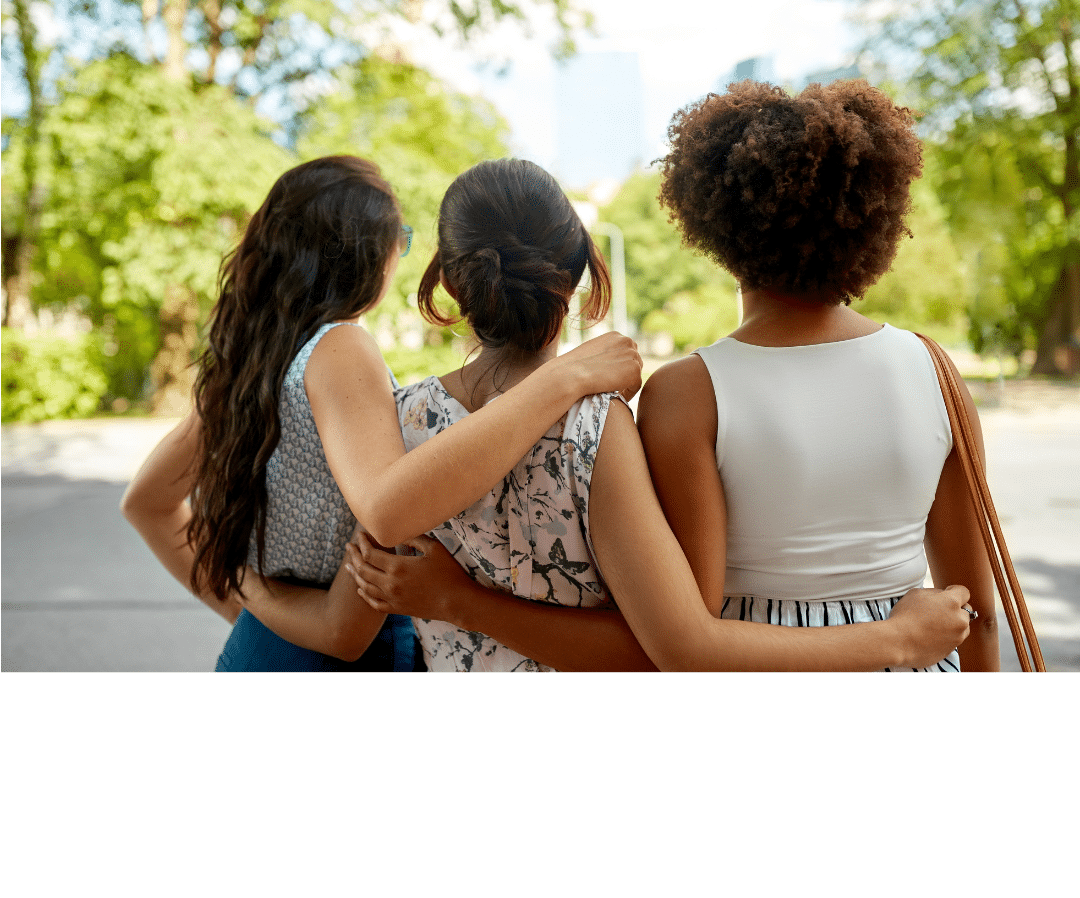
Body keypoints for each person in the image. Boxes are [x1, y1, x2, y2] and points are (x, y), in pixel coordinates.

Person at [261, 158, 973, 672]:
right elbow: (664, 648)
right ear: (577, 278)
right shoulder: (595, 431)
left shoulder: (403, 420)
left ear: (449, 282)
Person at [120, 155, 642, 672]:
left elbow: (147, 502)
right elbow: (349, 613)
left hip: (264, 649)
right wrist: (562, 377)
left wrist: (248, 596)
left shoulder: (249, 361)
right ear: (374, 255)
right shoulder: (342, 349)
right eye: (403, 238)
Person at [634, 79, 998, 671]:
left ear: (716, 224)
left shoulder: (687, 392)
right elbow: (975, 610)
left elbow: (695, 631)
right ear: (871, 217)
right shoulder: (934, 369)